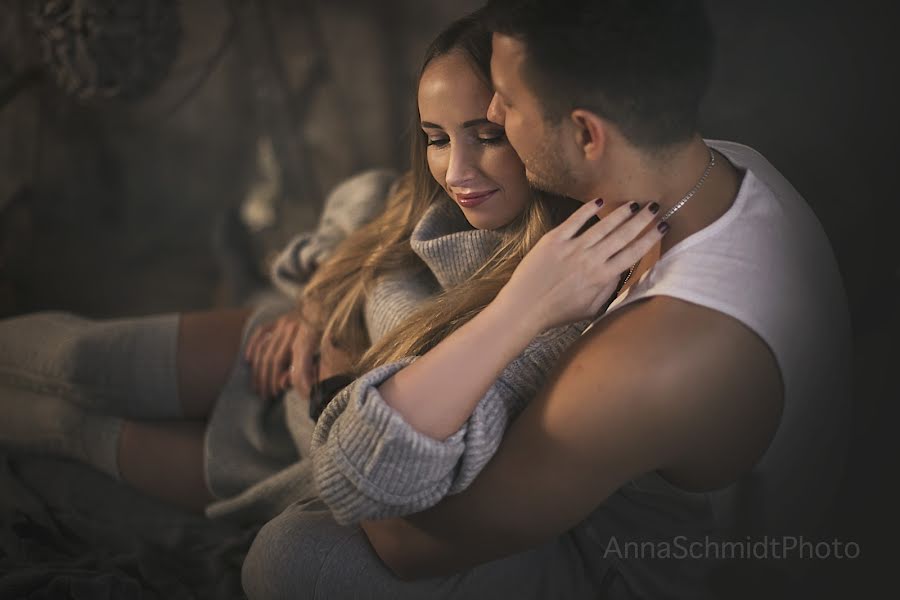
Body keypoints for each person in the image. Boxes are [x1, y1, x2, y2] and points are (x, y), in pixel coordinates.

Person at [242, 1, 851, 598]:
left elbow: (407, 542)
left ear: (586, 132)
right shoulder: (711, 167)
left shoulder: (658, 353)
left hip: (631, 566)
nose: (495, 108)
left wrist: (351, 370)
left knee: (295, 551)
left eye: (506, 102)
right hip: (590, 487)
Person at [0, 11, 651, 527]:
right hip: (270, 358)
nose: (457, 171)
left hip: (303, 454)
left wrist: (340, 341)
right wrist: (316, 302)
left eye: (488, 135)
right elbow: (364, 208)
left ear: (538, 124)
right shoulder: (423, 204)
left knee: (71, 428)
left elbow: (409, 453)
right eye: (436, 137)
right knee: (77, 362)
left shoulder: (558, 281)